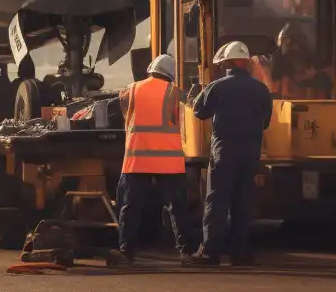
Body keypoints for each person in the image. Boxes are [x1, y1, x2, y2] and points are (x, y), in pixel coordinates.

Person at [190, 41, 274, 266]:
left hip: (224, 151)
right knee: (244, 201)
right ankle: (241, 253)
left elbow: (199, 112)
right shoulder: (261, 89)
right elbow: (266, 122)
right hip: (250, 153)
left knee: (217, 200)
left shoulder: (217, 87)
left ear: (226, 63)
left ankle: (210, 252)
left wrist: (196, 94)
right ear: (246, 63)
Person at [109, 54, 196, 267]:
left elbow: (123, 111)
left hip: (137, 158)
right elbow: (192, 109)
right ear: (170, 74)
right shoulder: (174, 93)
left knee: (130, 207)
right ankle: (186, 251)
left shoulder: (131, 90)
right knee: (177, 206)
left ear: (151, 69)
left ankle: (126, 251)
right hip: (168, 160)